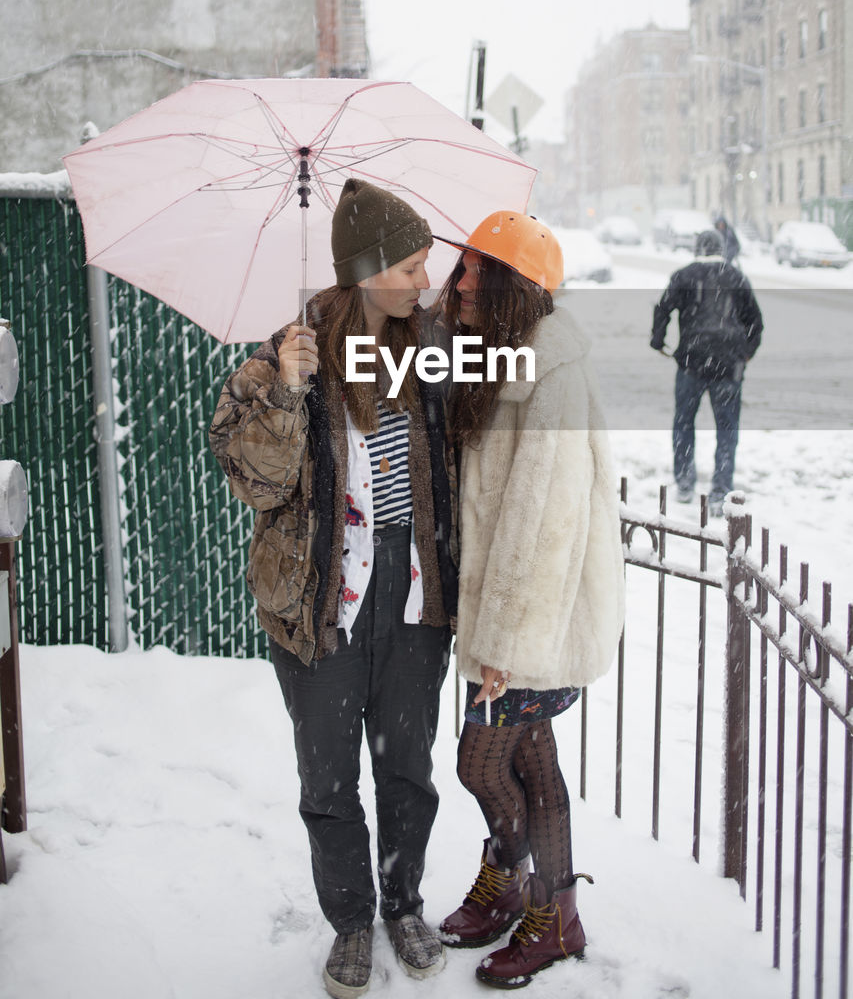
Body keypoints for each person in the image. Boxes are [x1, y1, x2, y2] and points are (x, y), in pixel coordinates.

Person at [209, 179, 457, 999]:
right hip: (321, 599)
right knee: (328, 778)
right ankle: (351, 921)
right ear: (370, 268)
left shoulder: (433, 346)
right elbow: (258, 483)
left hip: (414, 595)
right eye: (414, 264)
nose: (426, 280)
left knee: (407, 769)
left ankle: (404, 904)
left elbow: (471, 458)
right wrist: (286, 389)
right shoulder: (285, 354)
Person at [432, 211, 625, 989]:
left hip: (532, 621)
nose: (463, 280)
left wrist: (504, 646)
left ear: (520, 287)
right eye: (464, 266)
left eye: (484, 270)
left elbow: (541, 524)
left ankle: (539, 904)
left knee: (480, 764)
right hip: (510, 620)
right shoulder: (495, 356)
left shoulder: (550, 373)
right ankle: (539, 904)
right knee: (532, 762)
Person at [650, 227, 763, 516]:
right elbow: (755, 322)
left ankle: (685, 481)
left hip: (692, 361)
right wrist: (745, 354)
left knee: (684, 422)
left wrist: (658, 339)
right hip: (729, 365)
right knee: (727, 428)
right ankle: (720, 489)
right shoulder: (736, 276)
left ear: (697, 248)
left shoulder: (685, 275)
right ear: (722, 249)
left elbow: (663, 308)